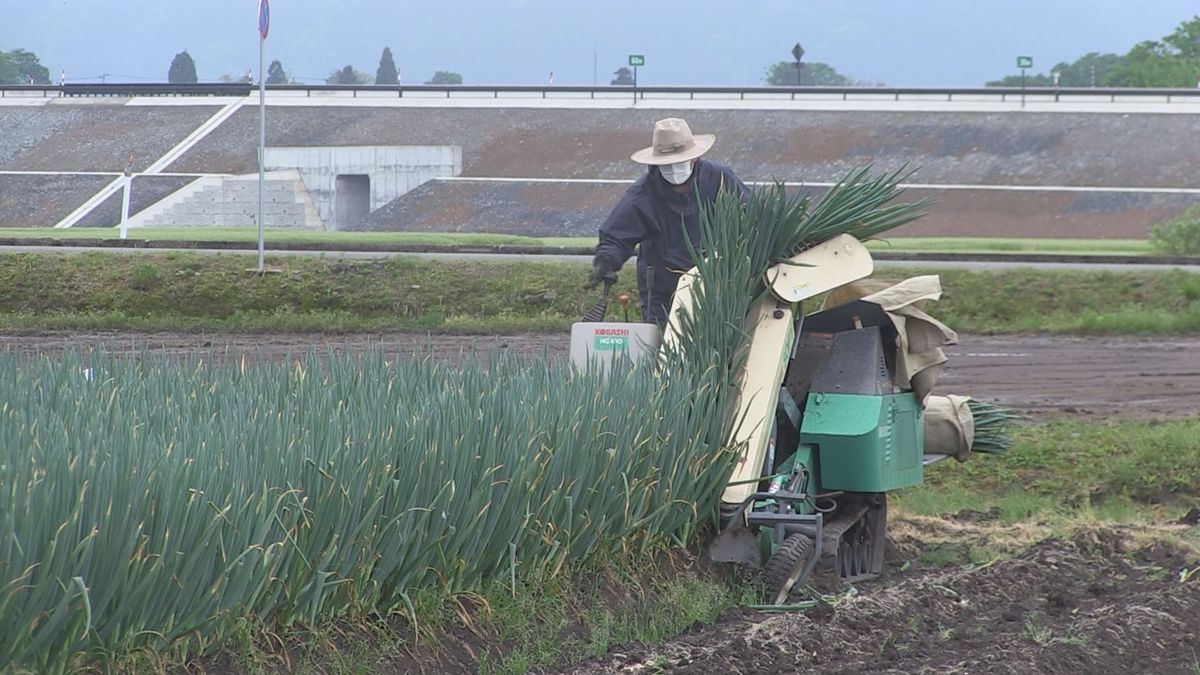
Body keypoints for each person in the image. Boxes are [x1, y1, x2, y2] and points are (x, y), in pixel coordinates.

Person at [590, 117, 749, 326]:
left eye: (679, 163)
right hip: (662, 288)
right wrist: (607, 261)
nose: (674, 170)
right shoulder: (642, 195)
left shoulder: (720, 180)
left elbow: (752, 215)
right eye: (668, 165)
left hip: (716, 282)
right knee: (663, 347)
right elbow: (617, 236)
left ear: (695, 159)